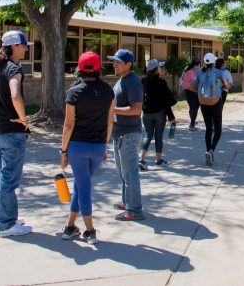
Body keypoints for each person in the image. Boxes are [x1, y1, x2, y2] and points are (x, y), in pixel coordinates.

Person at [0, 30, 34, 237]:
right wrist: (23, 119)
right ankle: (6, 224)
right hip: (13, 132)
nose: (26, 48)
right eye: (24, 45)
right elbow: (15, 95)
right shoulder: (14, 69)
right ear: (14, 47)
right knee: (9, 178)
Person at [59, 51, 115, 244]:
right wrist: (105, 145)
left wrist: (63, 150)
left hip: (77, 147)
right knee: (80, 184)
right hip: (98, 147)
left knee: (83, 187)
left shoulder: (74, 92)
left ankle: (90, 231)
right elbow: (109, 122)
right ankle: (70, 227)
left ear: (79, 69)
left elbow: (68, 125)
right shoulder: (108, 91)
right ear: (99, 68)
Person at [107, 49, 146, 221]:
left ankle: (135, 210)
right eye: (114, 61)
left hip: (129, 133)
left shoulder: (132, 81)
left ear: (128, 64)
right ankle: (127, 202)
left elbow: (136, 109)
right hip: (119, 133)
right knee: (123, 172)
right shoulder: (122, 79)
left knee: (130, 173)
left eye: (118, 62)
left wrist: (111, 110)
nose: (114, 64)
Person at [138, 59, 177, 170]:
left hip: (146, 114)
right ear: (156, 70)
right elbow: (166, 102)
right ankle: (158, 160)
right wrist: (171, 117)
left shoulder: (143, 81)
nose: (161, 68)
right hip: (159, 114)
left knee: (147, 135)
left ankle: (141, 159)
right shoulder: (161, 83)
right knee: (158, 137)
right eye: (160, 67)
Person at [193, 53, 230, 166]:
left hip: (203, 103)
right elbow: (227, 85)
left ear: (204, 62)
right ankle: (211, 150)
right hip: (215, 102)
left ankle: (208, 151)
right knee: (218, 129)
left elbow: (193, 86)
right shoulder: (218, 72)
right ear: (214, 62)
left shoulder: (199, 72)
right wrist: (219, 85)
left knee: (208, 128)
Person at [180, 56, 201, 131]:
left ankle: (193, 121)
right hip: (195, 90)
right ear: (199, 63)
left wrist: (180, 90)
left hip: (187, 91)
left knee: (191, 107)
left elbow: (182, 79)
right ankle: (192, 124)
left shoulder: (186, 69)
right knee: (195, 108)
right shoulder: (199, 70)